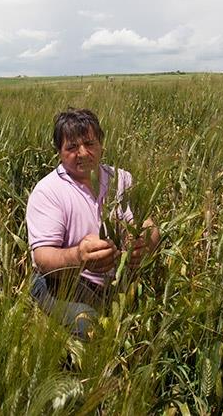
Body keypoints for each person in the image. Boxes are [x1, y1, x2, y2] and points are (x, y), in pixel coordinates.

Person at [26, 108, 160, 338]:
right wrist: (79, 257)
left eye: (89, 143)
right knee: (89, 326)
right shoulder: (47, 192)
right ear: (58, 151)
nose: (83, 153)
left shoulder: (122, 179)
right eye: (71, 147)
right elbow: (43, 259)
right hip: (60, 282)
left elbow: (147, 223)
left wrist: (146, 241)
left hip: (115, 282)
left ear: (101, 144)